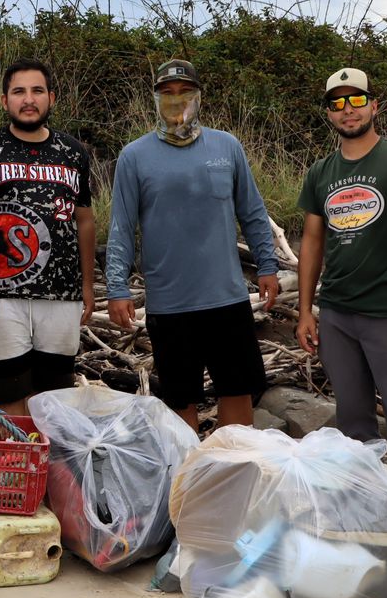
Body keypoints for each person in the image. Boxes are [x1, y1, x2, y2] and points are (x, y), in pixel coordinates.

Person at [295, 67, 387, 561]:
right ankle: (364, 506)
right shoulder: (321, 172)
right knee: (353, 419)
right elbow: (313, 240)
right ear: (328, 114)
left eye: (355, 100)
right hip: (337, 312)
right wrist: (307, 310)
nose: (348, 110)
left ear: (373, 105)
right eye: (337, 103)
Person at [105, 59, 281, 433]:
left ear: (198, 97)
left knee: (237, 393)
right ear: (155, 99)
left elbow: (252, 211)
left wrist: (267, 264)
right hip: (170, 305)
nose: (176, 100)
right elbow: (122, 227)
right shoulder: (134, 156)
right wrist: (117, 287)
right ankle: (190, 483)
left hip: (227, 300)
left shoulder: (226, 147)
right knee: (180, 400)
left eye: (184, 92)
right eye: (166, 93)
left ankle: (231, 476)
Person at [0, 58, 95, 415]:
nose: (28, 99)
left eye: (37, 91)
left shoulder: (74, 153)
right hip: (0, 294)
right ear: (5, 101)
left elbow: (85, 221)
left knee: (55, 402)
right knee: (6, 398)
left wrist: (88, 288)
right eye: (19, 91)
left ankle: (46, 470)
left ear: (52, 97)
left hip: (62, 294)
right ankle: (13, 469)